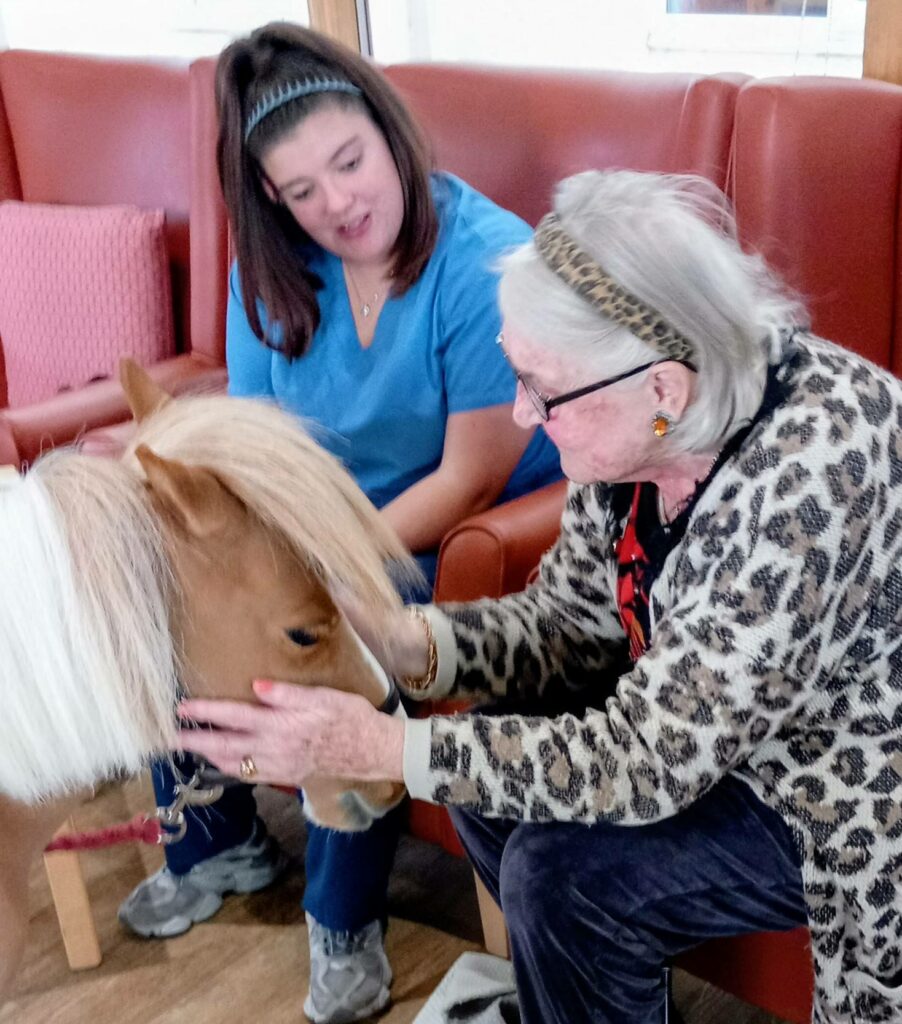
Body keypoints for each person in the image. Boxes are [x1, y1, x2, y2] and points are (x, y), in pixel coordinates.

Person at [176, 167, 902, 1024]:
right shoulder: (645, 422)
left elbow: (645, 762)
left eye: (541, 390)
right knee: (490, 774)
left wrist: (383, 747)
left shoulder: (809, 483)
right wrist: (407, 640)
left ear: (662, 388)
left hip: (838, 787)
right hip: (708, 725)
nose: (522, 414)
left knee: (560, 876)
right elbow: (569, 623)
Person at [117, 21, 561, 1024]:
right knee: (179, 601)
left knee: (344, 638)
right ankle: (213, 841)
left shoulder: (485, 259)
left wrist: (319, 567)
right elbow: (253, 440)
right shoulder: (269, 272)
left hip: (452, 536)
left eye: (350, 163)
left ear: (389, 134)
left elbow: (466, 478)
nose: (339, 204)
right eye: (301, 191)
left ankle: (344, 913)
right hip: (312, 518)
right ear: (269, 198)